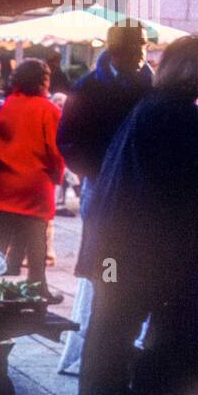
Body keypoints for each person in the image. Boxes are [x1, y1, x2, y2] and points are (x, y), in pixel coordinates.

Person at [79, 36, 198, 395]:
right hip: (136, 238)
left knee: (112, 313)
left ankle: (99, 386)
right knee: (123, 314)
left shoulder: (153, 105)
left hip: (117, 231)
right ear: (194, 69)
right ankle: (114, 393)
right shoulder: (176, 111)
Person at [56, 21, 153, 374]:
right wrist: (94, 171)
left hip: (138, 186)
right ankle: (97, 347)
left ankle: (116, 348)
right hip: (102, 184)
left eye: (144, 45)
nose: (143, 53)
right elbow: (67, 140)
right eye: (136, 47)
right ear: (116, 52)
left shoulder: (148, 80)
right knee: (105, 259)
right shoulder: (89, 86)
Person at [0, 58, 64, 301]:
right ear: (43, 82)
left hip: (2, 184)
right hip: (35, 186)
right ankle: (37, 288)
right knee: (36, 243)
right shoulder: (49, 110)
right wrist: (57, 175)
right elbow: (55, 148)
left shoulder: (0, 105)